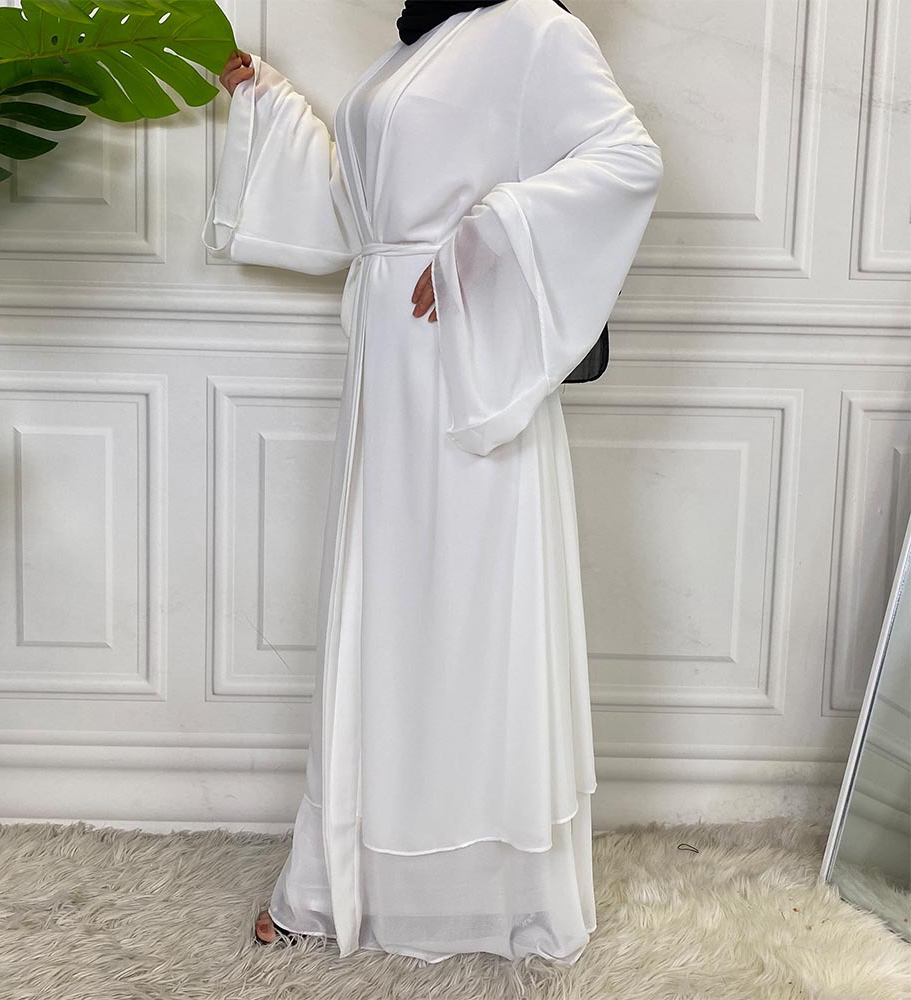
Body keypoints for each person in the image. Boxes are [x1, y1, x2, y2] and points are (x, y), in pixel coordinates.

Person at [204, 0, 663, 965]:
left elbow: (627, 158)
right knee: (390, 612)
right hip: (389, 369)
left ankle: (489, 893)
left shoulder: (533, 27)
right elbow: (361, 210)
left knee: (470, 612)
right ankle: (350, 874)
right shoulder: (415, 48)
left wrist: (487, 235)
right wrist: (274, 106)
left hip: (465, 366)